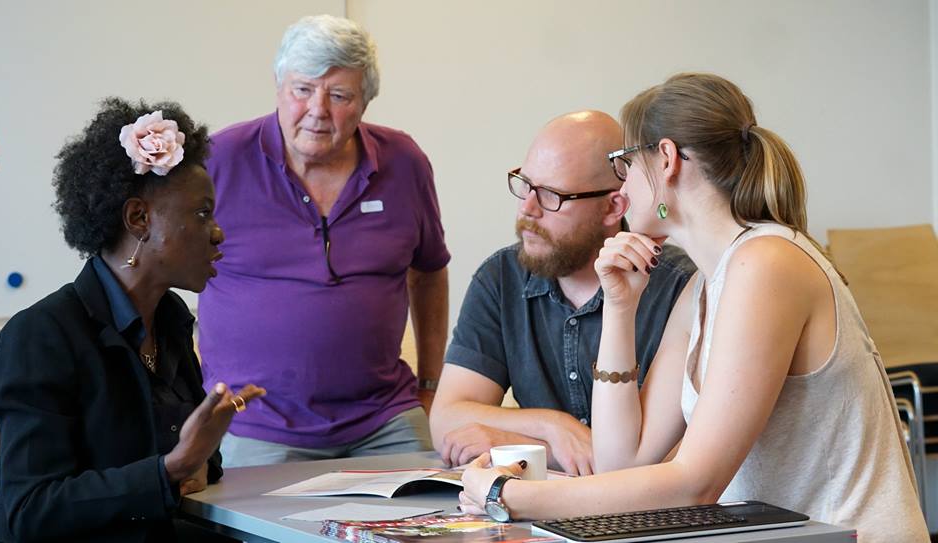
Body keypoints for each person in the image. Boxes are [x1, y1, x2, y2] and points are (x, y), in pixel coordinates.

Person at [459, 73, 928, 541]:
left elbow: (695, 483)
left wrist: (513, 496)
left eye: (624, 164)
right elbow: (620, 460)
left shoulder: (767, 264)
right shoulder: (706, 285)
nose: (620, 189)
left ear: (665, 160)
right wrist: (620, 309)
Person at [0, 98, 265, 543]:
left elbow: (183, 475)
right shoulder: (41, 335)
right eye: (202, 212)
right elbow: (30, 509)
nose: (218, 231)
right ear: (138, 219)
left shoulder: (170, 321)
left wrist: (201, 461)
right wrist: (173, 467)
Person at [198, 14, 450, 467]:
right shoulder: (219, 162)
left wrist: (431, 386)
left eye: (339, 95)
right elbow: (163, 271)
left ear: (364, 103)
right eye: (302, 89)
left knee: (441, 516)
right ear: (278, 87)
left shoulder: (404, 162)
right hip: (255, 422)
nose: (318, 109)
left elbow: (429, 271)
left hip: (384, 417)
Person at [429, 111, 694, 475]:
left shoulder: (680, 289)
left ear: (613, 206)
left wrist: (519, 445)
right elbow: (447, 419)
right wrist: (552, 428)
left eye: (551, 195)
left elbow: (681, 454)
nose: (527, 209)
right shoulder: (501, 278)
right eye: (525, 184)